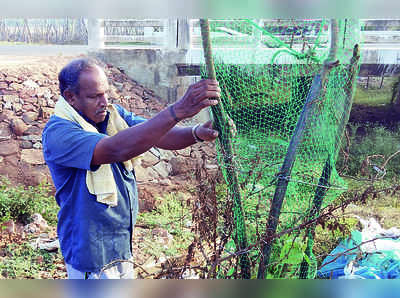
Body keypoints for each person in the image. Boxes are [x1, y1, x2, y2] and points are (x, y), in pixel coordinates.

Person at [42, 58, 220, 279]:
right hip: (90, 253)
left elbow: (157, 134)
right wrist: (177, 110)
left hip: (120, 244)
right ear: (70, 97)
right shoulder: (59, 133)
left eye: (106, 93)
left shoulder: (112, 116)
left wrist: (196, 133)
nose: (104, 101)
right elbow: (116, 149)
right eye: (95, 96)